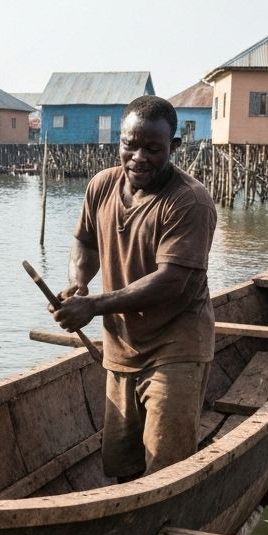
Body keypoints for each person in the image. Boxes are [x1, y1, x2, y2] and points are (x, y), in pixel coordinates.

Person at [53, 95, 216, 482]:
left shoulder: (189, 201)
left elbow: (173, 281)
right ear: (119, 142)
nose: (139, 157)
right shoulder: (101, 185)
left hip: (175, 347)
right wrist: (79, 283)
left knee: (165, 468)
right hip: (121, 348)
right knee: (120, 465)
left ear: (174, 148)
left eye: (153, 148)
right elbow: (85, 241)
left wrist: (94, 306)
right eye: (130, 145)